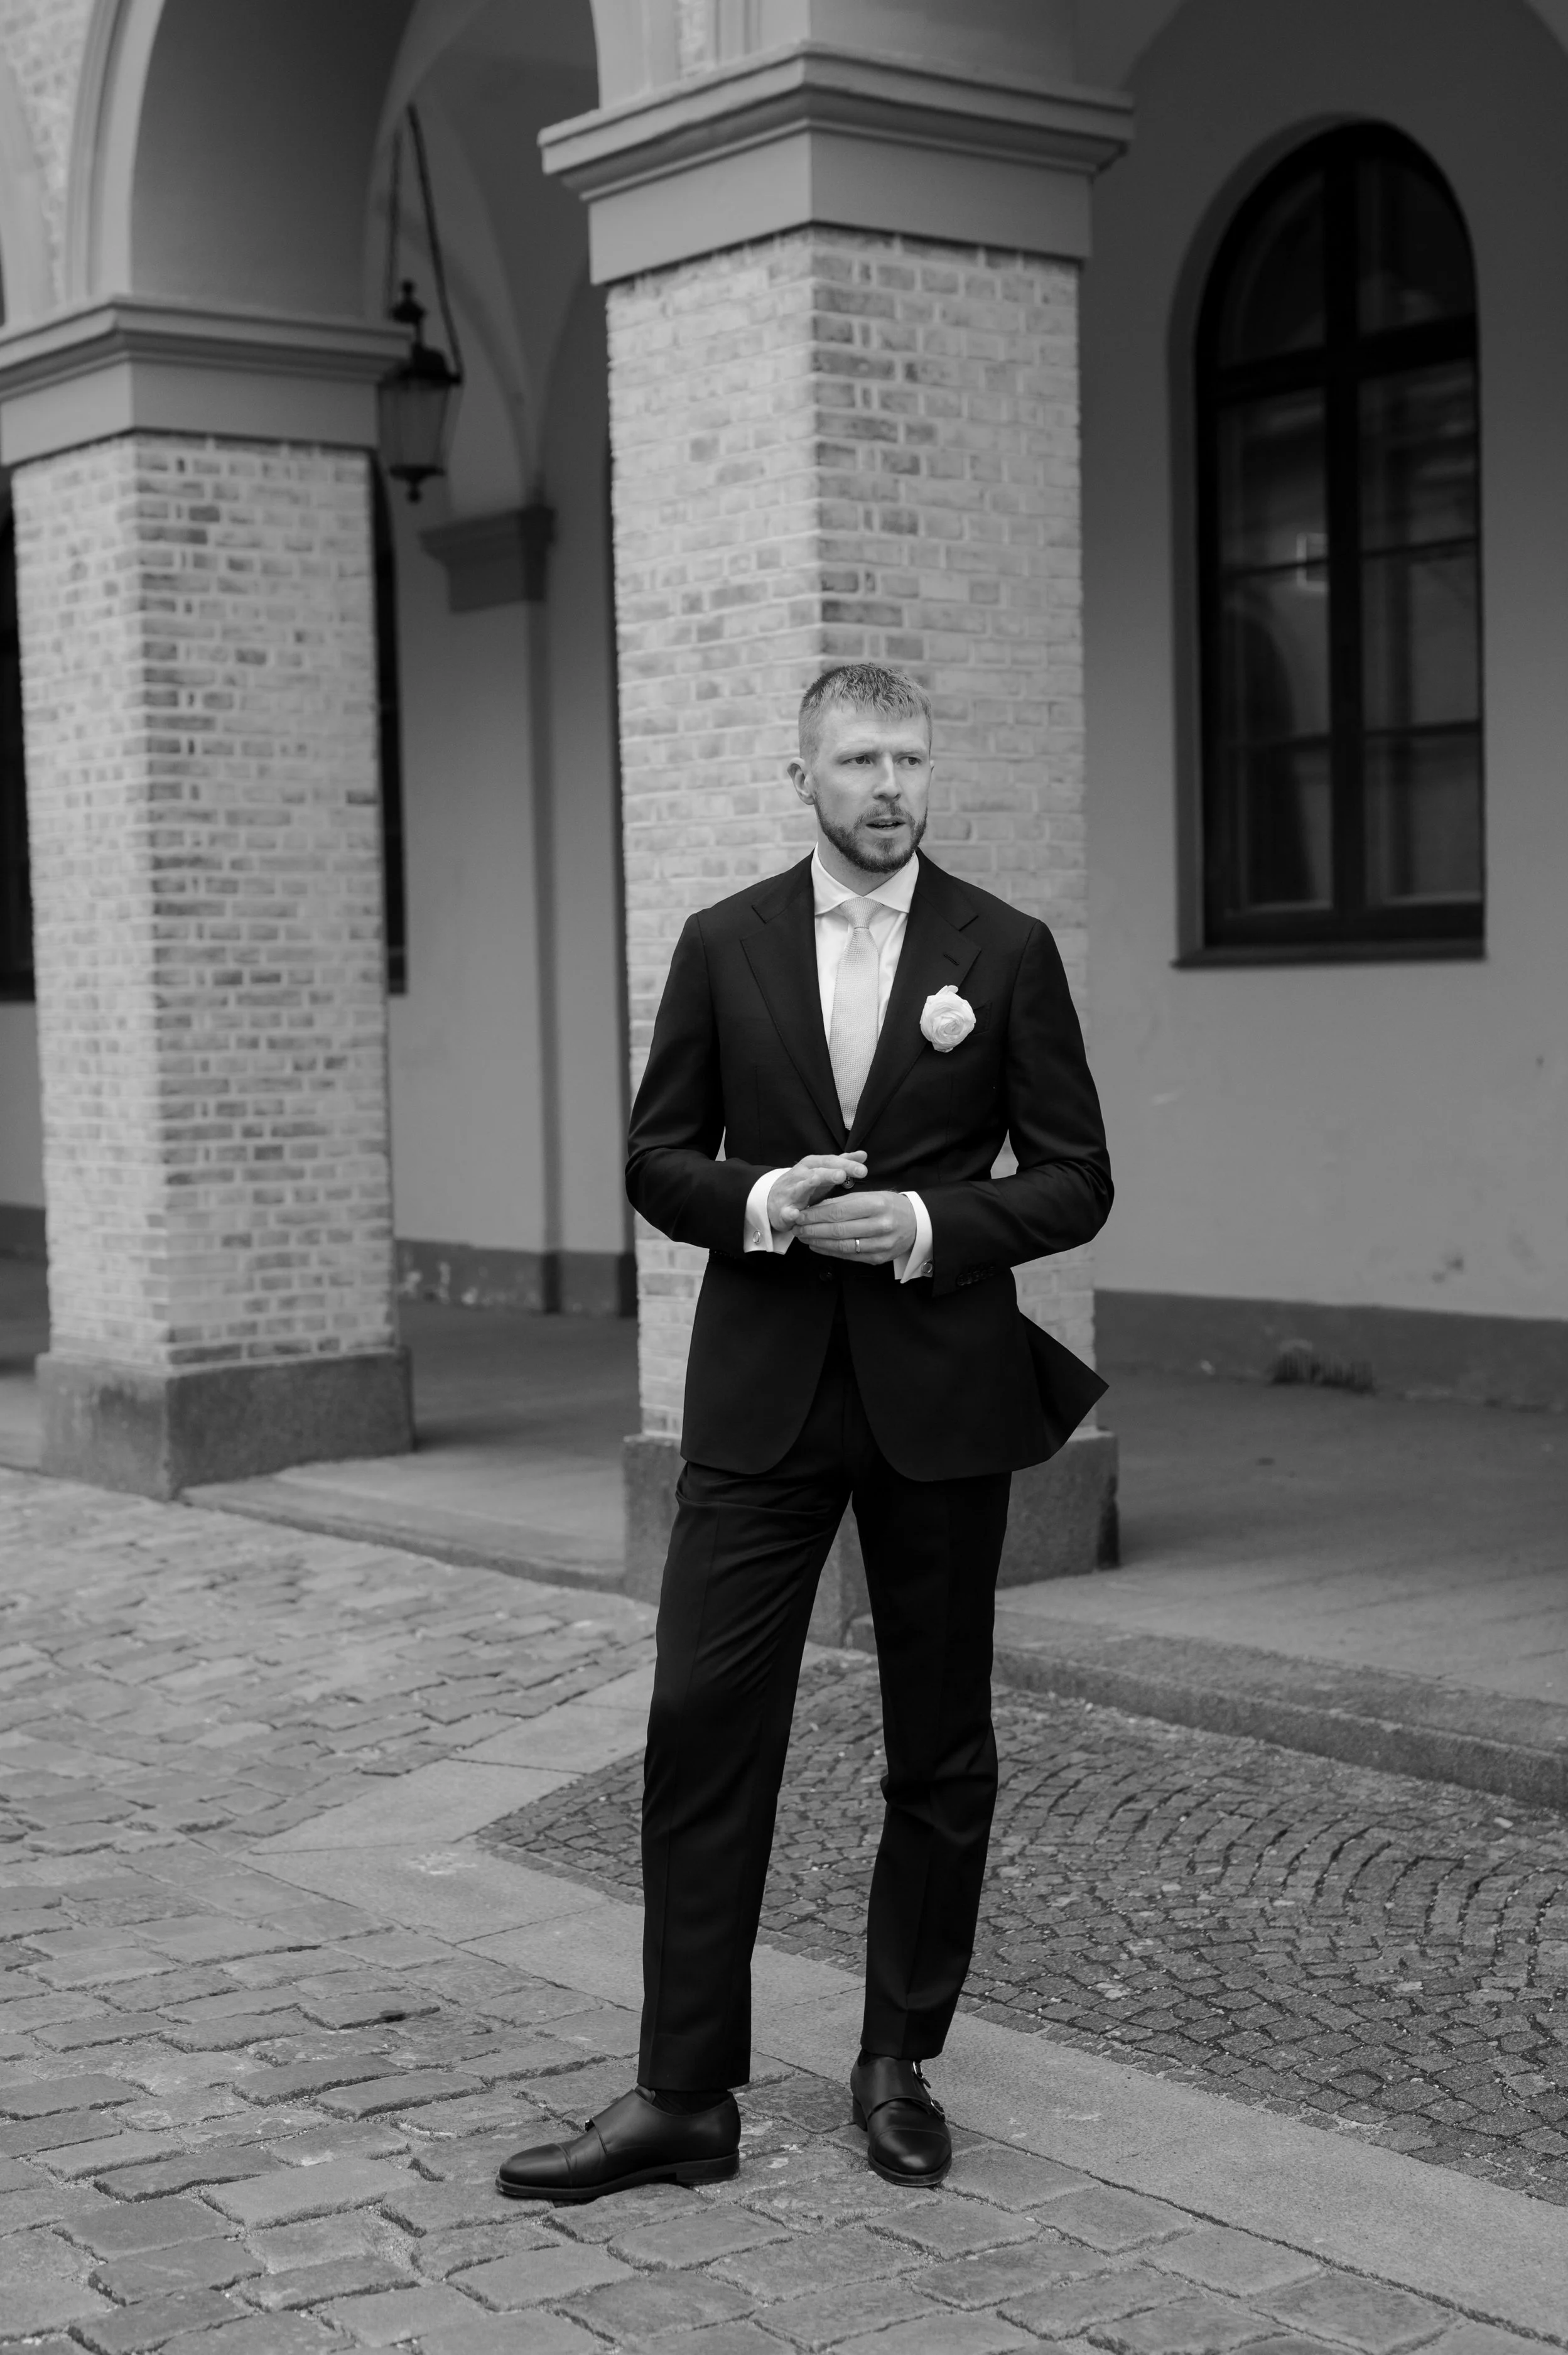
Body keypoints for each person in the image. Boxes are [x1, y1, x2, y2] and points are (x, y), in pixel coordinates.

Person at [499, 663, 1112, 2205]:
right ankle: (681, 2095)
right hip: (760, 1395)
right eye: (858, 761)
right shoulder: (723, 943)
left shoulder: (1006, 950)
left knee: (938, 1745)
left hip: (939, 1393)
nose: (888, 786)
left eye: (909, 758)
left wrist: (925, 1223)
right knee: (702, 1720)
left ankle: (896, 2060)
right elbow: (656, 1158)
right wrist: (765, 1201)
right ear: (803, 778)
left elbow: (1075, 1178)